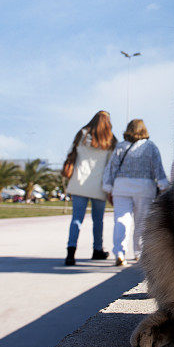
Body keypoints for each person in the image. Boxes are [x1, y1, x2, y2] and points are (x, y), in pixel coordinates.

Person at [103, 119, 168, 266]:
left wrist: (108, 188)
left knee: (121, 220)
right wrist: (163, 186)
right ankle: (139, 253)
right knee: (141, 223)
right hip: (144, 188)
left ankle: (119, 253)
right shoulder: (150, 147)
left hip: (121, 187)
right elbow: (157, 169)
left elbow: (111, 168)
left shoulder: (120, 146)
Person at [62, 110, 117, 266]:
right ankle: (97, 249)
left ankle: (70, 253)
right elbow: (110, 164)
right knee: (98, 220)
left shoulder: (82, 133)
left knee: (76, 219)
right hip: (98, 185)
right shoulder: (110, 139)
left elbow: (71, 152)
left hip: (79, 182)